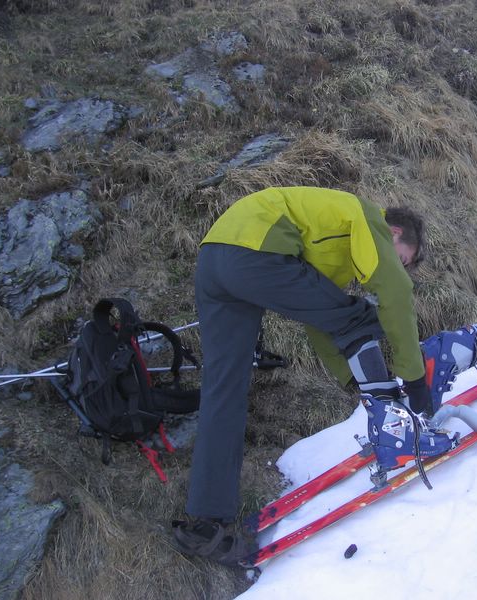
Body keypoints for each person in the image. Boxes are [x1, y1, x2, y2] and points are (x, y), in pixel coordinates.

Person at [172, 186, 433, 566]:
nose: (398, 265)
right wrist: (414, 379)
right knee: (358, 317)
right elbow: (394, 290)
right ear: (393, 234)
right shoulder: (367, 219)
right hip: (256, 249)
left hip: (215, 256)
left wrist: (350, 381)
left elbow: (319, 320)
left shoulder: (336, 252)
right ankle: (395, 423)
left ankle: (208, 524)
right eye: (403, 258)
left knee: (224, 391)